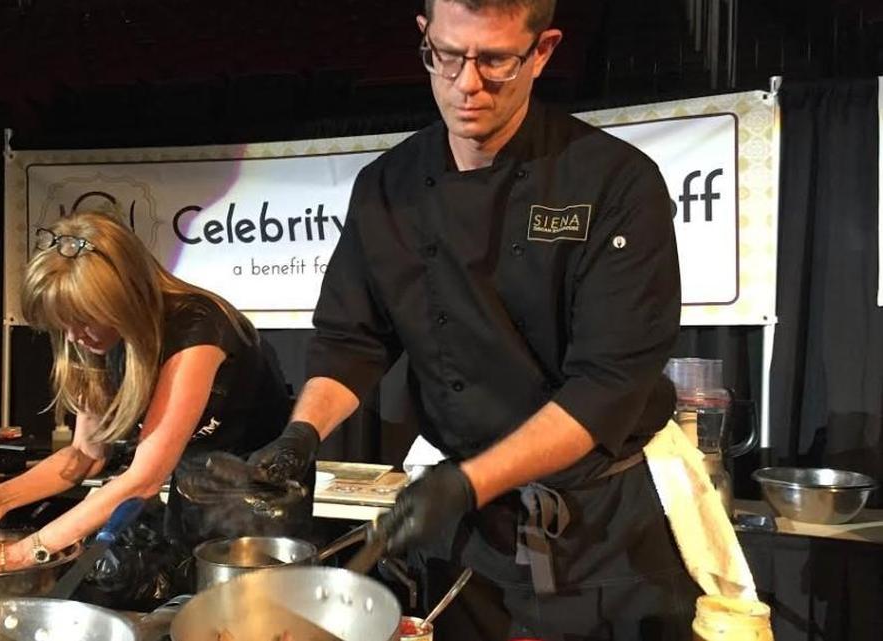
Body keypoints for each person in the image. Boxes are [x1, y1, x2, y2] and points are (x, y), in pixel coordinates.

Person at [245, 0, 700, 639]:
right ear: (425, 37)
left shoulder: (615, 183)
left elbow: (606, 387)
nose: (466, 84)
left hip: (601, 528)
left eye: (495, 61)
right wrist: (302, 435)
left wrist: (464, 483)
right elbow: (353, 339)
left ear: (542, 52)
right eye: (448, 56)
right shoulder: (388, 186)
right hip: (468, 533)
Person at [0, 211, 302, 573]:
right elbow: (84, 454)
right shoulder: (97, 340)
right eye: (62, 324)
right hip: (188, 488)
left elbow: (144, 478)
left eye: (82, 321)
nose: (71, 337)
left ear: (124, 299)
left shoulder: (198, 329)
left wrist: (19, 554)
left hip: (260, 493)